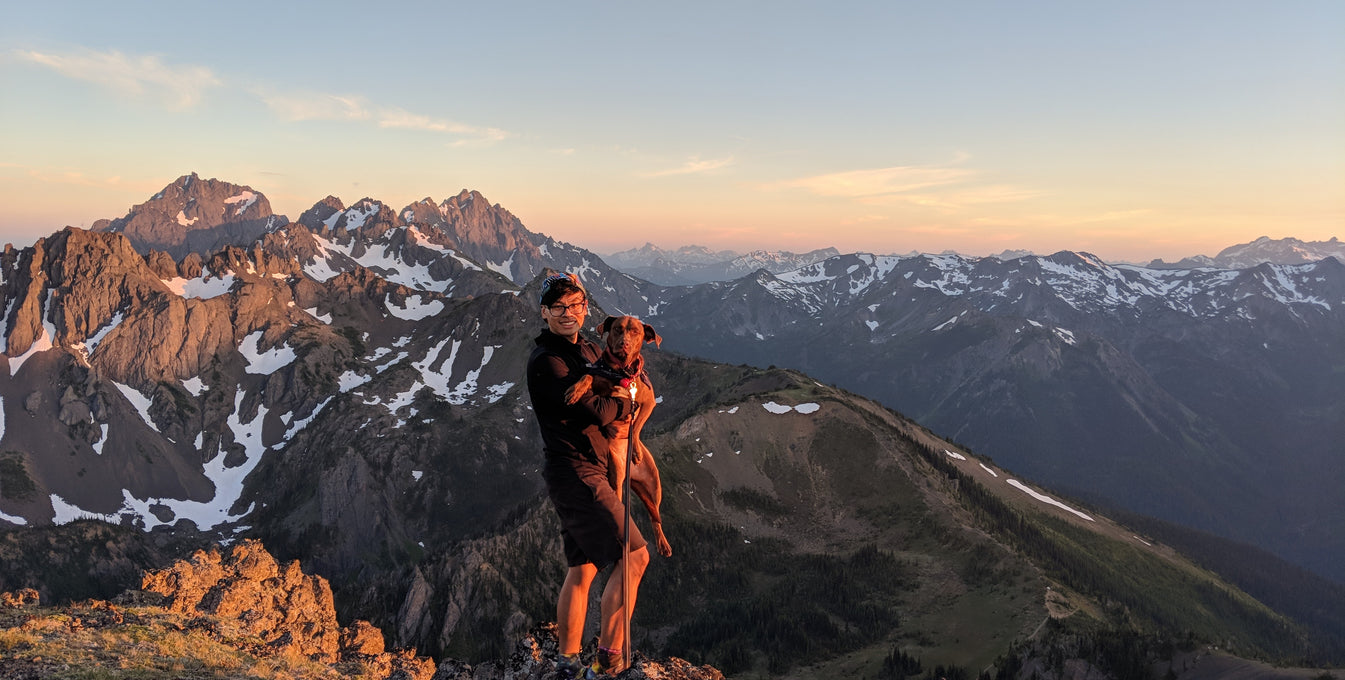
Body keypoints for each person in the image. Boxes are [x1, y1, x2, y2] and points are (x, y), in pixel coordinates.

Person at [526, 272, 650, 678]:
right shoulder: (548, 361)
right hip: (576, 470)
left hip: (585, 468)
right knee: (635, 554)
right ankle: (607, 660)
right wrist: (626, 407)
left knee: (583, 569)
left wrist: (627, 394)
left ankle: (567, 664)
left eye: (576, 305)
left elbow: (630, 382)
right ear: (545, 313)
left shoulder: (590, 349)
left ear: (585, 309)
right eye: (559, 307)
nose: (568, 314)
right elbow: (596, 411)